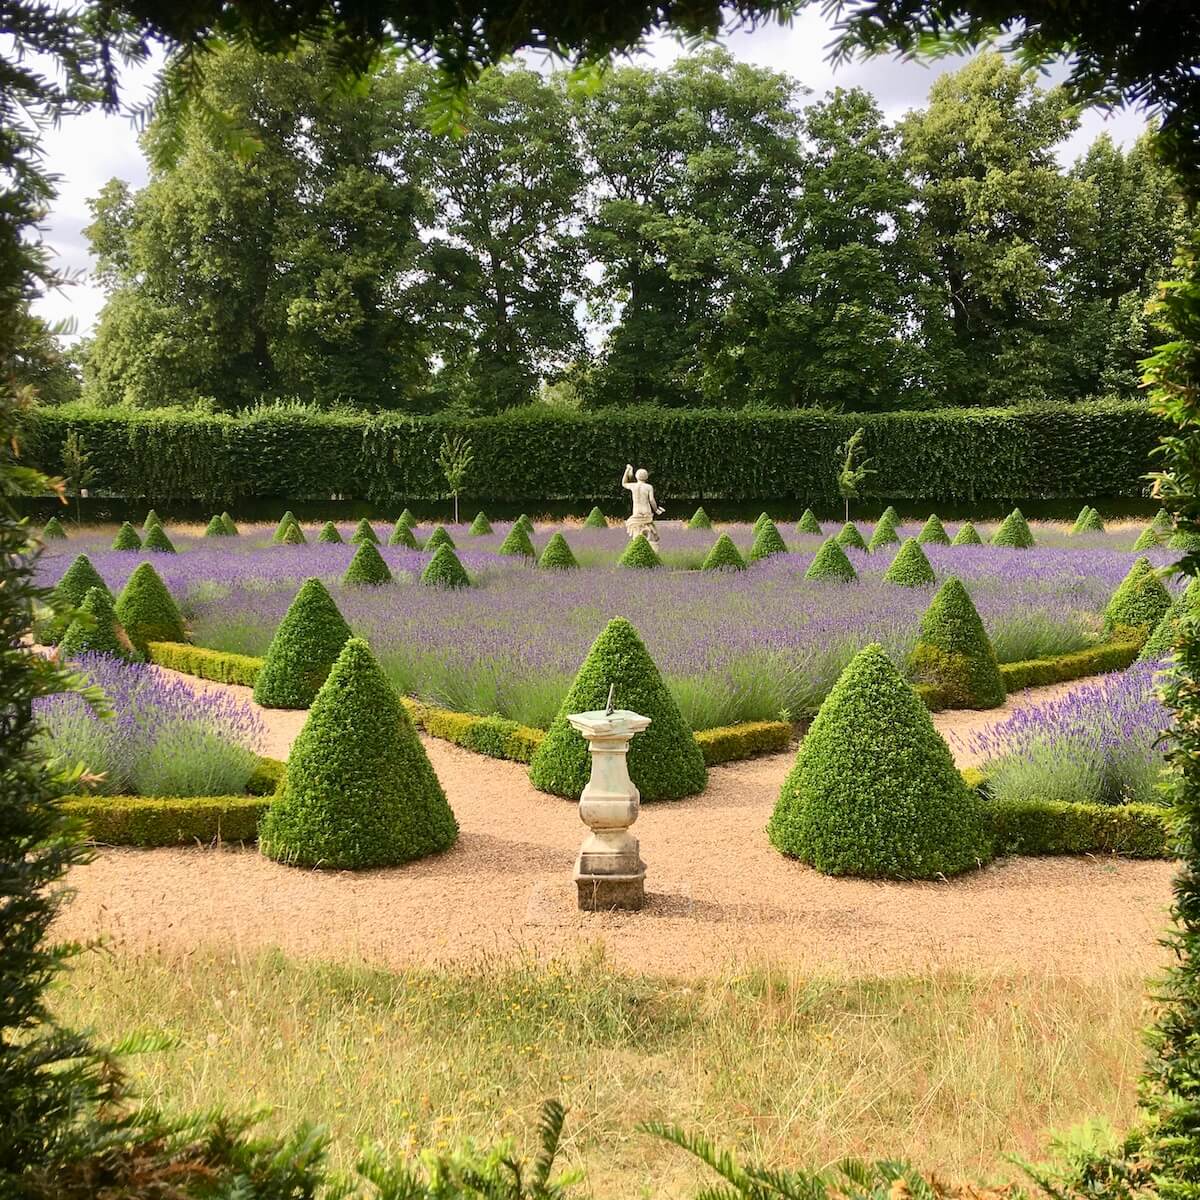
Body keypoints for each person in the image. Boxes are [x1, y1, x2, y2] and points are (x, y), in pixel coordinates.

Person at [621, 464, 664, 545]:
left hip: (636, 510)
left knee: (637, 528)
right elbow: (651, 500)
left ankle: (638, 543)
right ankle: (653, 537)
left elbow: (624, 483)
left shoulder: (633, 486)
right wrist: (656, 509)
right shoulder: (648, 487)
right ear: (646, 477)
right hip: (646, 509)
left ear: (636, 476)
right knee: (648, 525)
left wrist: (627, 471)